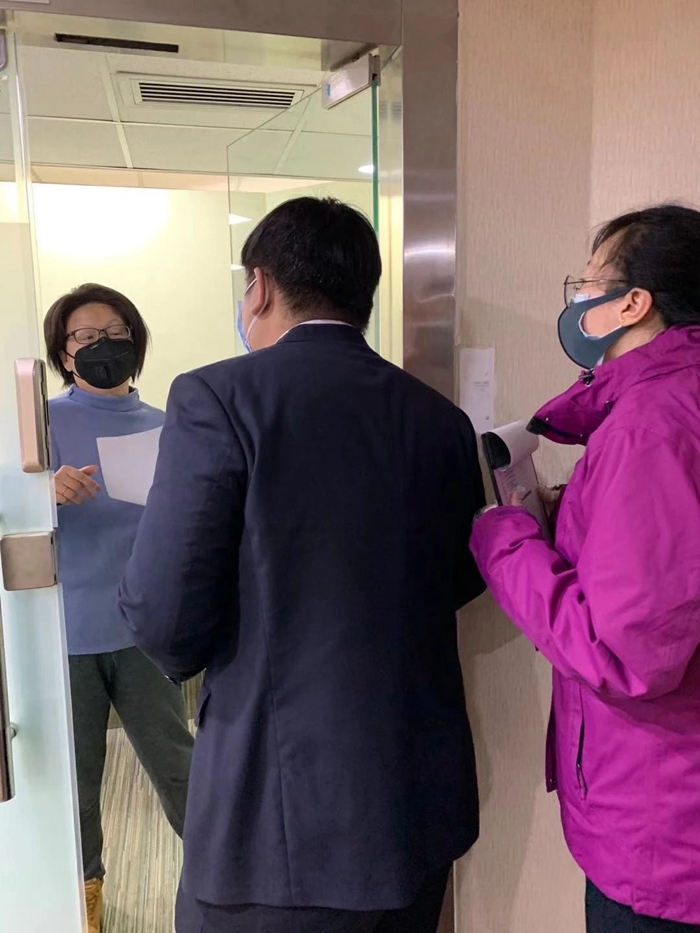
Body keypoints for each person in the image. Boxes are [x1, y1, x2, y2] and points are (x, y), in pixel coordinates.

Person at [117, 197, 486, 933]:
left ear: (258, 286)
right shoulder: (441, 418)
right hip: (416, 806)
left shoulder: (217, 397)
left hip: (276, 818)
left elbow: (164, 614)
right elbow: (462, 577)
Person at [470, 204, 700, 932]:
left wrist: (505, 538)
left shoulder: (650, 426)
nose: (577, 301)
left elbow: (623, 650)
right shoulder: (674, 407)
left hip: (664, 834)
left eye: (589, 282)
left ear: (633, 303)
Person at [44, 284, 194, 933]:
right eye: (85, 336)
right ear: (64, 352)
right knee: (77, 779)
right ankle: (86, 891)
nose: (102, 345)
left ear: (135, 339)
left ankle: (220, 875)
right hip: (65, 634)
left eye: (115, 332)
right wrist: (41, 488)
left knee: (178, 763)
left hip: (142, 628)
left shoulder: (168, 423)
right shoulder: (39, 423)